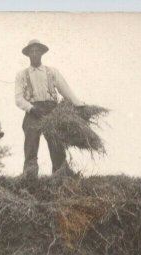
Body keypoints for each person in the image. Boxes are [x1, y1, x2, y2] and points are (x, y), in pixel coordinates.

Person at [15, 39, 83, 179]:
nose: (34, 54)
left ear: (41, 53)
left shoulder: (52, 72)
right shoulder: (21, 75)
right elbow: (18, 99)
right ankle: (30, 176)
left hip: (52, 110)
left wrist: (79, 105)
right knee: (31, 144)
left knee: (57, 143)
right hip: (32, 112)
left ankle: (60, 176)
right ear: (28, 55)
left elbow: (66, 90)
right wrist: (32, 109)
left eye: (37, 51)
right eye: (31, 51)